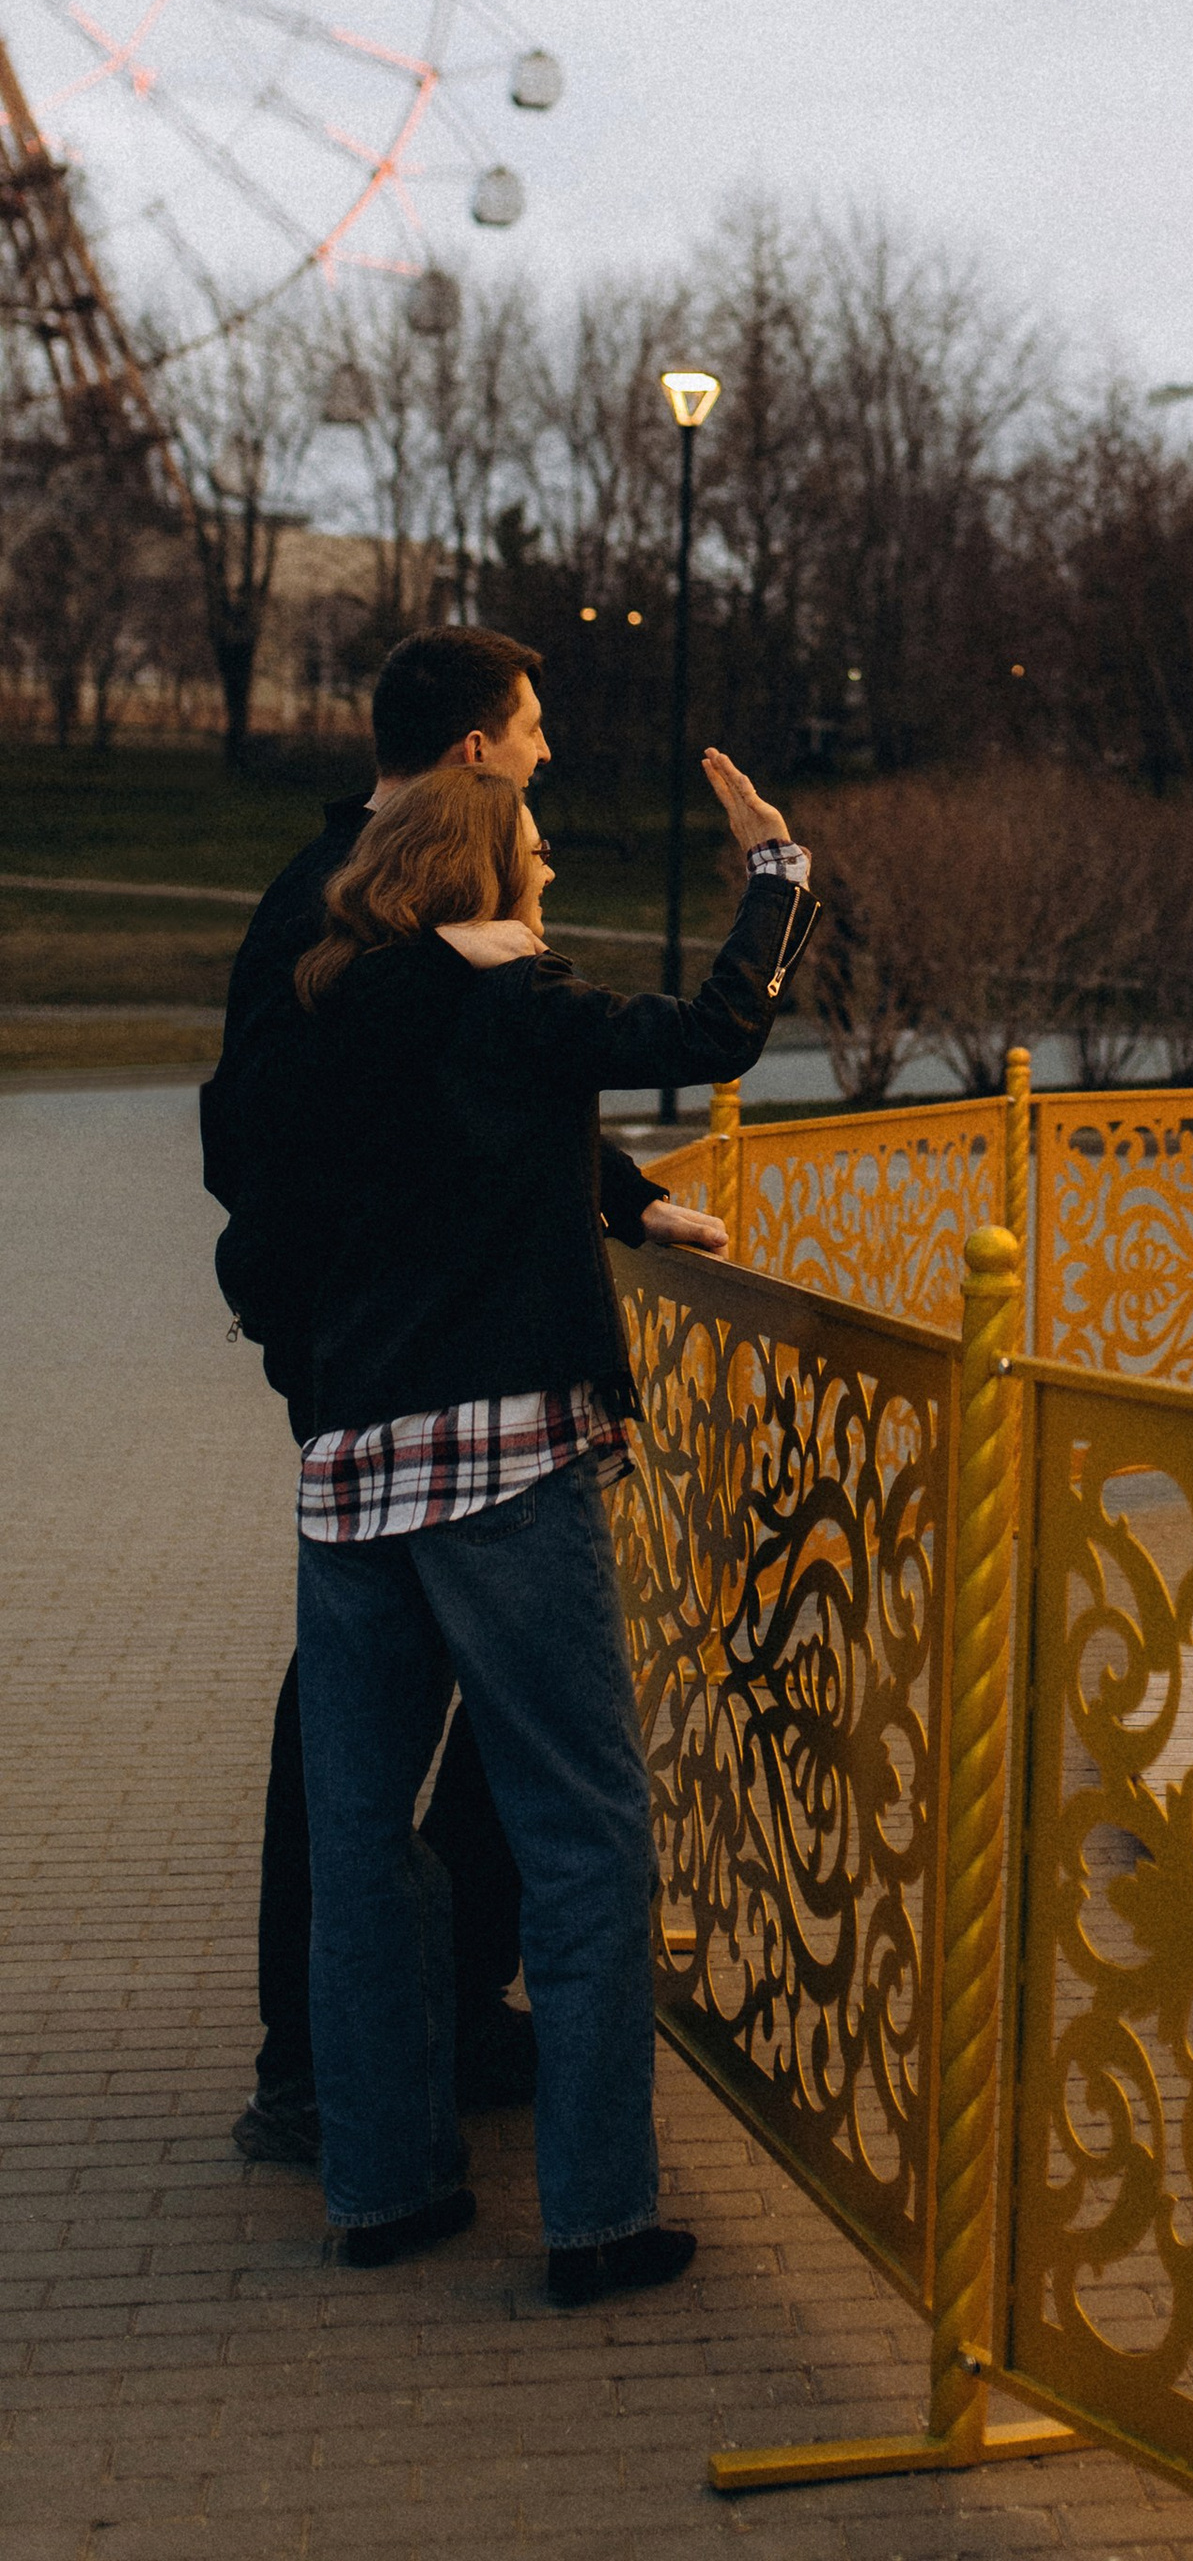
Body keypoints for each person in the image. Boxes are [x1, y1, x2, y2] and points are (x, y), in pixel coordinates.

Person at [202, 625, 733, 2168]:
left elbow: (484, 1088)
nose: (550, 752)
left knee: (418, 1749)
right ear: (471, 753)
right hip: (407, 1385)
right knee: (395, 1763)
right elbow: (281, 1141)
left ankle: (409, 2056)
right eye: (533, 728)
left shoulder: (362, 912)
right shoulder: (340, 912)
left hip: (378, 1392)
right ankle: (325, 2063)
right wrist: (332, 1339)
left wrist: (618, 1199)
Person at [289, 747, 818, 2291]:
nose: (552, 866)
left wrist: (622, 1197)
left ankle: (382, 2191)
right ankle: (597, 2216)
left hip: (347, 1464)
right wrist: (775, 878)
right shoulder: (511, 1001)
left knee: (360, 1840)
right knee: (585, 1833)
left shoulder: (339, 1005)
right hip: (504, 1456)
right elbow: (715, 1034)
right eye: (533, 838)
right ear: (481, 868)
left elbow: (471, 1138)